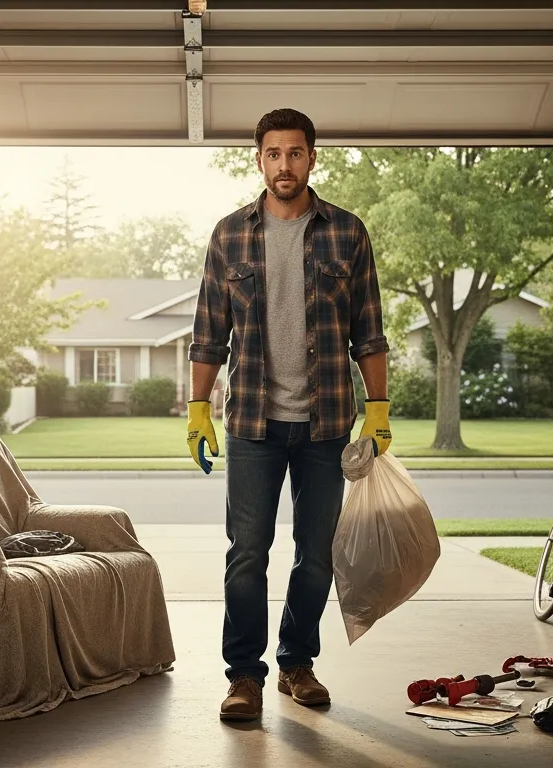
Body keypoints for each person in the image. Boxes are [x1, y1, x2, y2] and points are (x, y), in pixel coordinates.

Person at [184, 108, 393, 722]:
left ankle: (297, 663)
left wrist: (377, 409)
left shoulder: (347, 233)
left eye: (295, 153)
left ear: (312, 158)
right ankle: (244, 676)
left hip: (326, 424)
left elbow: (370, 333)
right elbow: (206, 335)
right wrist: (199, 408)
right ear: (259, 159)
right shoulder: (229, 236)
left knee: (316, 554)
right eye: (273, 153)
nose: (284, 164)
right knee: (246, 553)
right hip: (252, 424)